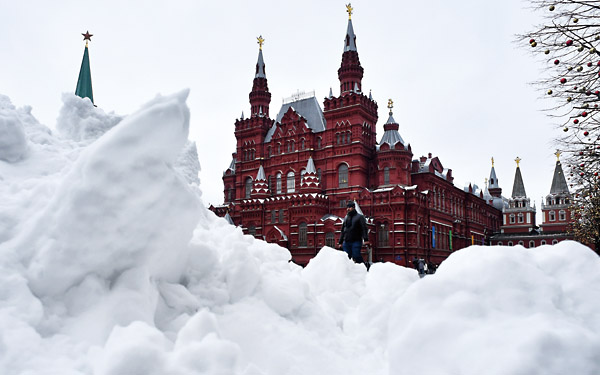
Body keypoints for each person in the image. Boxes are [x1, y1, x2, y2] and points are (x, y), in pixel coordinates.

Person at [337, 201, 370, 268]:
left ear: (354, 207)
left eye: (349, 207)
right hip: (346, 241)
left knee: (356, 255)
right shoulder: (346, 217)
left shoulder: (360, 217)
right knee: (346, 257)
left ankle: (364, 268)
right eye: (347, 207)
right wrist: (340, 242)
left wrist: (366, 239)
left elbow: (364, 228)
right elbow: (343, 230)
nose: (348, 209)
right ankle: (349, 271)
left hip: (356, 241)